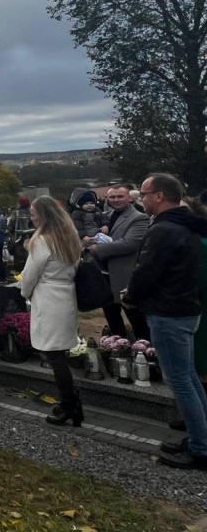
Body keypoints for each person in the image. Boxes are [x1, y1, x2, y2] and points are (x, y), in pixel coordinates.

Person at [124, 173, 207, 470]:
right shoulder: (187, 225)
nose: (140, 199)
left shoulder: (164, 230)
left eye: (143, 194)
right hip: (184, 306)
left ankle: (200, 449)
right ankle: (202, 438)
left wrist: (131, 298)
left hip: (169, 312)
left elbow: (147, 271)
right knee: (189, 377)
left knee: (180, 381)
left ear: (160, 196)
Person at [19, 196, 83, 426]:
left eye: (34, 213)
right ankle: (71, 402)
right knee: (59, 353)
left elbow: (29, 276)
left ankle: (69, 403)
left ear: (43, 215)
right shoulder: (69, 237)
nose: (31, 217)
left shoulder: (43, 241)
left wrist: (25, 293)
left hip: (47, 297)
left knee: (54, 356)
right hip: (65, 295)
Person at [88, 185, 151, 339]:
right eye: (112, 197)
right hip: (104, 277)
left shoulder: (139, 218)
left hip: (125, 278)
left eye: (120, 196)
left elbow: (130, 243)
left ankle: (145, 354)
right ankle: (118, 350)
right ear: (107, 199)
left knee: (137, 321)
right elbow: (86, 236)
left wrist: (97, 249)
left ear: (129, 198)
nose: (116, 200)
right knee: (112, 319)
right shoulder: (103, 216)